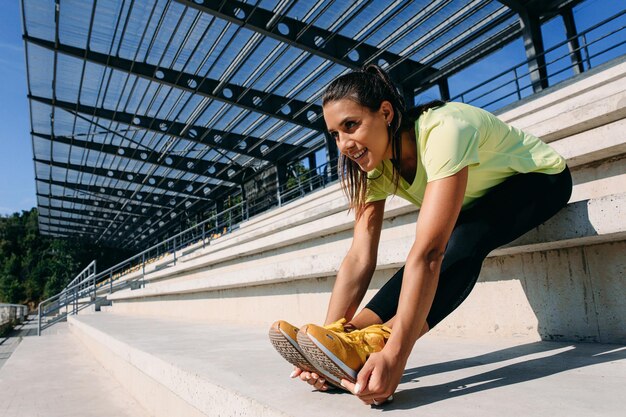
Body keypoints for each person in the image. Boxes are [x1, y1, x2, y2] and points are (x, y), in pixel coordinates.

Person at [269, 64, 572, 406]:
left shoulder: (444, 131)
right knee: (446, 243)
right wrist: (328, 340)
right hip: (476, 203)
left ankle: (380, 340)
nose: (343, 144)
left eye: (350, 125)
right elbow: (359, 257)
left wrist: (396, 355)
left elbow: (429, 254)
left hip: (540, 180)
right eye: (335, 134)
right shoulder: (377, 168)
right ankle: (352, 338)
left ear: (385, 112)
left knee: (458, 241)